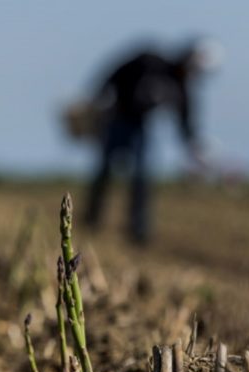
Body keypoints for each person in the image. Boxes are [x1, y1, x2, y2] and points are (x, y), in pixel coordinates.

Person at [84, 39, 222, 244]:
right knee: (104, 172)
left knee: (142, 176)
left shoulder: (180, 88)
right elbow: (113, 73)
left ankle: (138, 231)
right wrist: (97, 98)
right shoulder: (149, 61)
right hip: (117, 120)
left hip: (141, 128)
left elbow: (185, 123)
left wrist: (196, 149)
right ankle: (91, 220)